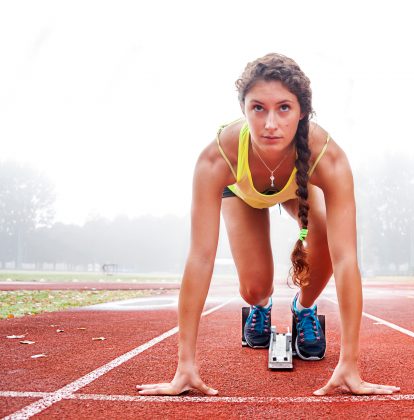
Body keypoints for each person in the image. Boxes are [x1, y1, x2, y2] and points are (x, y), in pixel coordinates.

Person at [136, 53, 400, 396]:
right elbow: (200, 257)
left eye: (284, 108)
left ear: (302, 111)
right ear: (243, 108)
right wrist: (184, 365)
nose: (270, 124)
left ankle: (303, 308)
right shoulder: (218, 158)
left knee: (324, 234)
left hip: (297, 185)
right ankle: (259, 308)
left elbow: (347, 258)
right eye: (258, 108)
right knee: (255, 287)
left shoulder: (328, 157)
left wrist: (350, 362)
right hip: (242, 193)